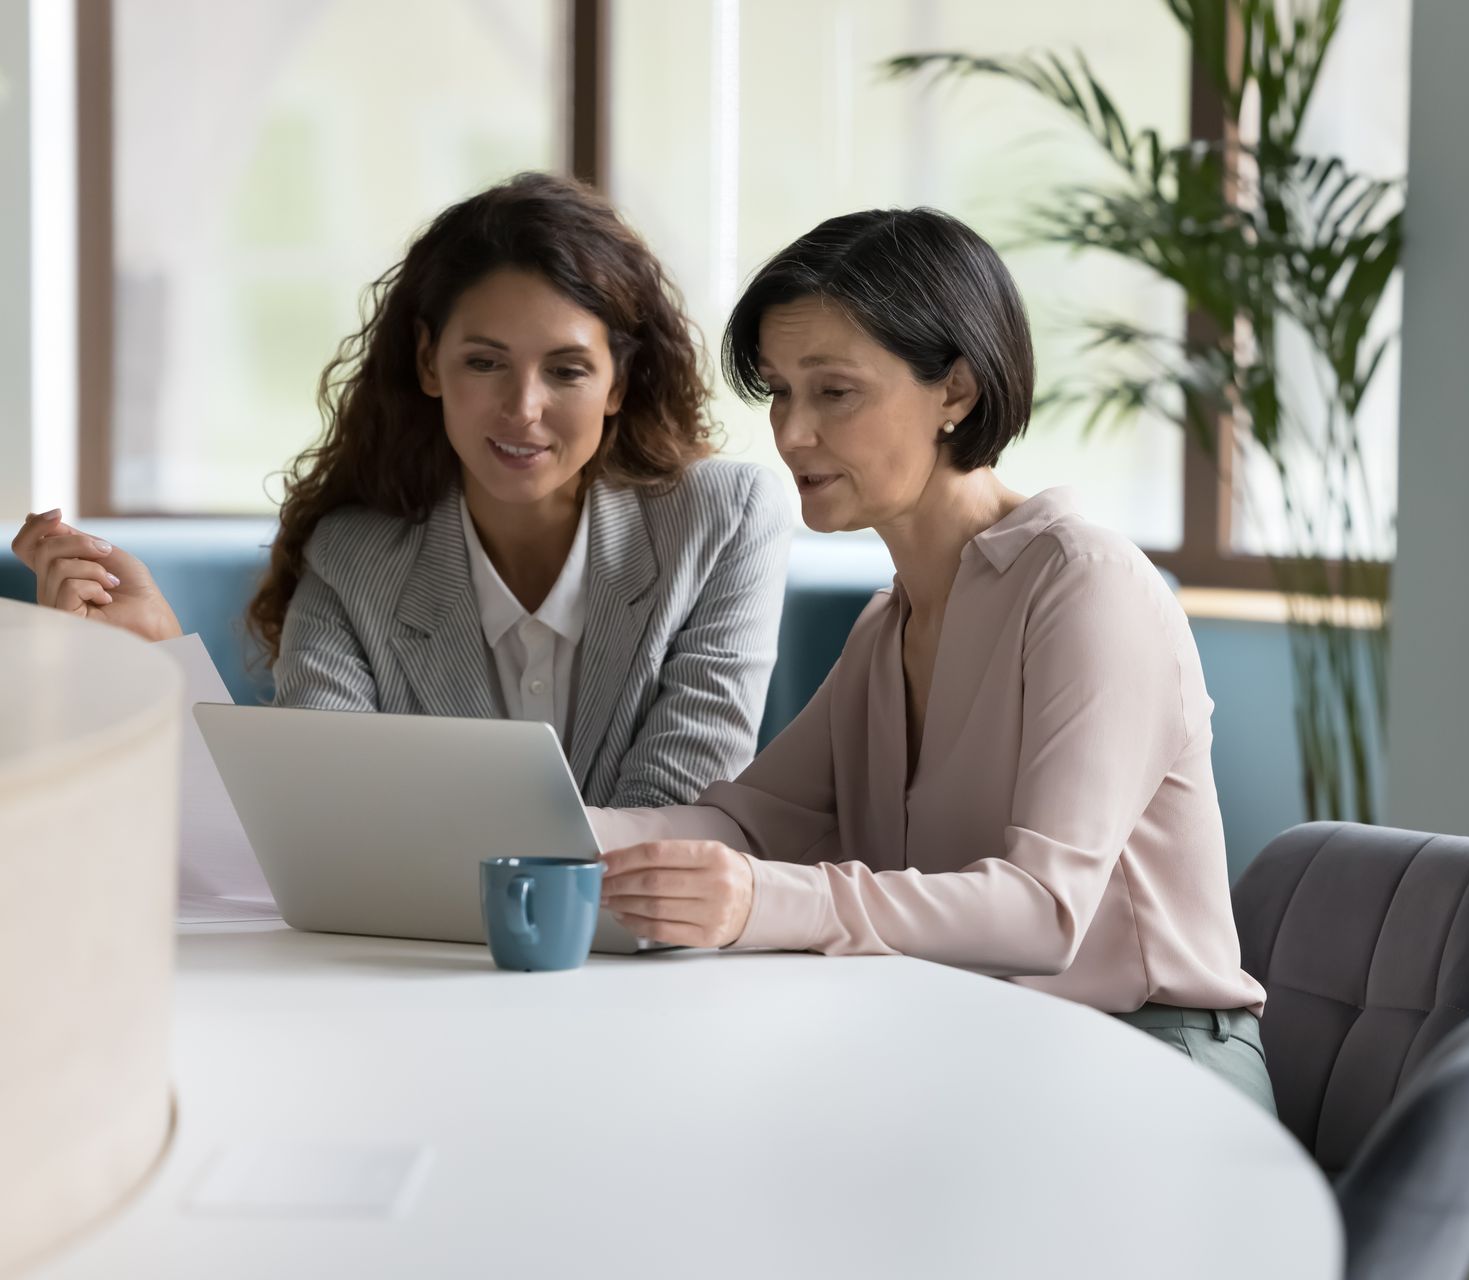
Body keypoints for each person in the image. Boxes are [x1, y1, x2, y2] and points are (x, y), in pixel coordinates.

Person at [587, 208, 1274, 1115]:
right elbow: (747, 827)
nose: (792, 433)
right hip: (976, 1045)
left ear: (956, 390)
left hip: (1150, 1061)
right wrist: (536, 836)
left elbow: (1045, 914)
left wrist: (765, 901)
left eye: (834, 392)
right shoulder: (887, 626)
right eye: (781, 393)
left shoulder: (1085, 584)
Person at [10, 172, 790, 808]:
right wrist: (157, 660)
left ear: (620, 381)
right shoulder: (355, 558)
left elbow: (676, 823)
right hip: (419, 979)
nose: (524, 408)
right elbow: (312, 820)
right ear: (428, 363)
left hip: (651, 983)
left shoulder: (723, 523)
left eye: (568, 370)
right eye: (484, 362)